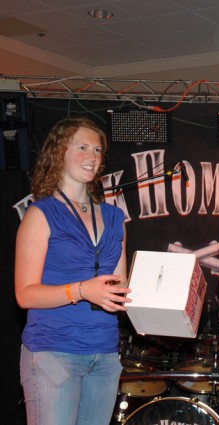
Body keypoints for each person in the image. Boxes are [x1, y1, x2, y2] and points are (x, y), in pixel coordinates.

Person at [14, 116, 132, 425]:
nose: (92, 156)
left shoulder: (115, 217)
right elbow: (25, 295)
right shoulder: (41, 214)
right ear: (59, 152)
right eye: (82, 147)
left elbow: (120, 287)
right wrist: (81, 290)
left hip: (105, 355)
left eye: (97, 150)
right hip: (54, 352)